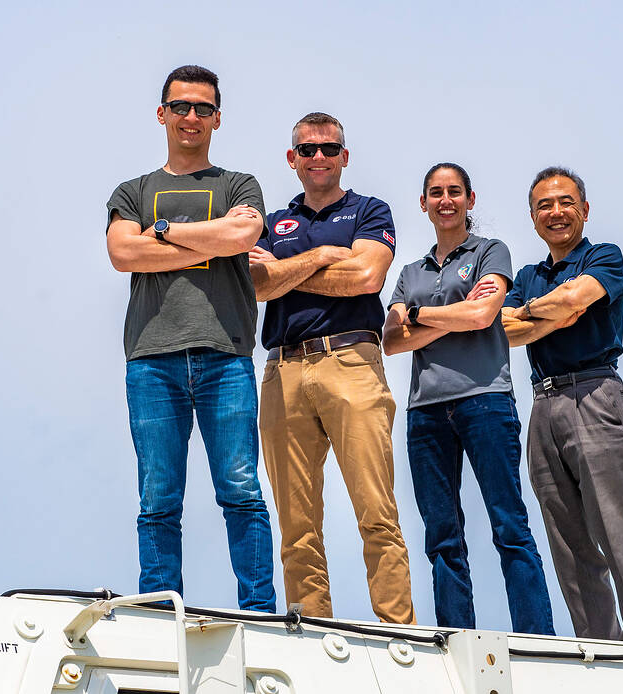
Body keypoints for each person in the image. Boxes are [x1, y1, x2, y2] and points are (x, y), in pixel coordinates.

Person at [105, 65, 275, 612]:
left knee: (242, 491)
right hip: (151, 359)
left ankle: (258, 611)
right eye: (181, 106)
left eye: (203, 108)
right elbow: (121, 254)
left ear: (217, 119)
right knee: (157, 499)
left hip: (225, 355)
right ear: (162, 114)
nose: (192, 117)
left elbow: (244, 233)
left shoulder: (238, 185)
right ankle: (159, 611)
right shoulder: (132, 191)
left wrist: (162, 233)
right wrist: (211, 243)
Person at [248, 113, 415, 624]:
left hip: (351, 361)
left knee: (376, 512)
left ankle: (398, 631)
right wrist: (324, 255)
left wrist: (287, 271)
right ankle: (311, 631)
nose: (317, 157)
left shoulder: (370, 210)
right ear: (291, 158)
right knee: (296, 526)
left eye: (328, 148)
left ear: (345, 156)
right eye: (307, 149)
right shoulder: (271, 221)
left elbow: (366, 276)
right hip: (283, 370)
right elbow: (256, 284)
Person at [382, 163, 554, 635]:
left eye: (454, 192)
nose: (445, 200)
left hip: (486, 401)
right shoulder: (410, 272)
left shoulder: (491, 251)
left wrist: (419, 316)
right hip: (425, 411)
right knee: (441, 536)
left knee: (509, 527)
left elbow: (483, 315)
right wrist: (441, 314)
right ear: (423, 204)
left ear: (470, 200)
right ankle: (455, 637)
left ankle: (538, 638)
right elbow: (393, 341)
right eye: (435, 193)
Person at [502, 166, 623, 642]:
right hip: (543, 405)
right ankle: (598, 647)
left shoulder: (605, 256)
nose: (556, 212)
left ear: (584, 210)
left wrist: (546, 309)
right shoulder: (528, 275)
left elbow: (582, 295)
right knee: (567, 541)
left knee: (616, 527)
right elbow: (505, 329)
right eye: (544, 206)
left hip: (595, 394)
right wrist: (557, 310)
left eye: (565, 202)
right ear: (533, 218)